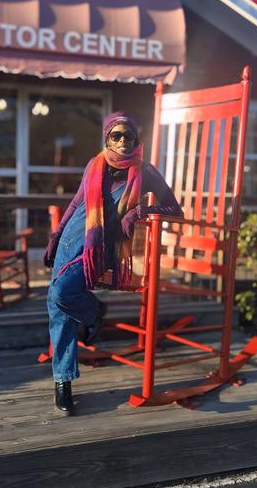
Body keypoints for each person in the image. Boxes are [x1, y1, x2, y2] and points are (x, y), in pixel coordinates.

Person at [45, 111, 183, 415]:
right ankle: (63, 382)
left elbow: (175, 208)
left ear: (136, 139)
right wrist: (56, 236)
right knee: (56, 308)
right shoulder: (95, 165)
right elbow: (77, 203)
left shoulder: (144, 171)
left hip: (98, 249)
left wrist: (139, 212)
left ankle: (94, 313)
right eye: (116, 136)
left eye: (128, 136)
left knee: (61, 294)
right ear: (107, 137)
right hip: (71, 239)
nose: (122, 142)